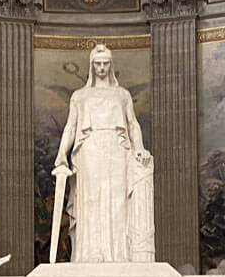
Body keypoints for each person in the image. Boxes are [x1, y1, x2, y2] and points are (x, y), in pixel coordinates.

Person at [52, 44, 154, 263]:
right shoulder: (80, 96)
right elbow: (70, 127)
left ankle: (118, 254)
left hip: (117, 149)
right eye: (97, 64)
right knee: (90, 199)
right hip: (88, 149)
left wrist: (140, 148)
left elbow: (133, 124)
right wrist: (62, 154)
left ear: (111, 65)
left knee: (117, 199)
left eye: (105, 63)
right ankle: (89, 254)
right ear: (91, 66)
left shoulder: (122, 94)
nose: (101, 68)